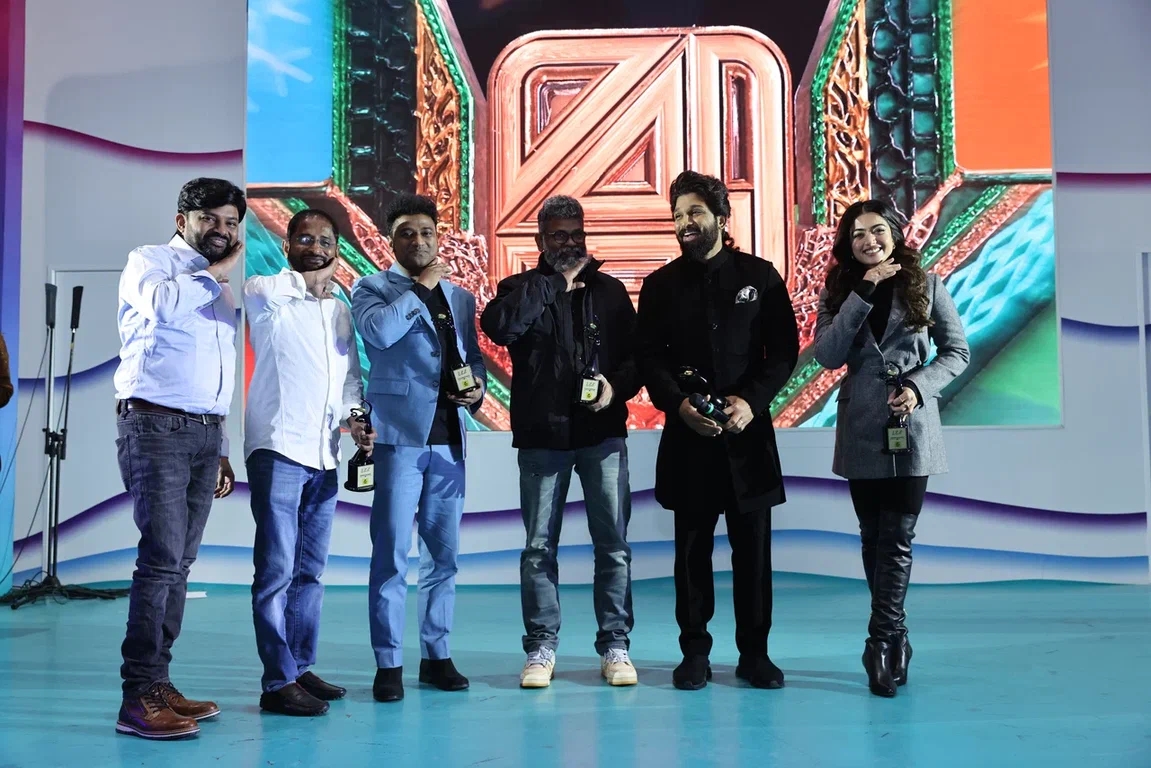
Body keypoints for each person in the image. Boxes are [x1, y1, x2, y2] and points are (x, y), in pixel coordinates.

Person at [634, 170, 799, 691]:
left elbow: (784, 352)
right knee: (690, 556)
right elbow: (649, 360)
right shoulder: (659, 287)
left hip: (748, 438)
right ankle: (695, 654)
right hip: (689, 440)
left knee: (753, 555)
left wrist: (752, 401)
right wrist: (678, 405)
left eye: (695, 212)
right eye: (678, 215)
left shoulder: (761, 276)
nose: (685, 222)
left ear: (722, 218)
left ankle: (755, 655)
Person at [481, 195, 641, 689]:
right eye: (559, 236)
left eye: (576, 234)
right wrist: (554, 284)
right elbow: (499, 327)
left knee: (613, 546)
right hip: (542, 438)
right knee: (537, 548)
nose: (570, 244)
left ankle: (615, 645)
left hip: (602, 435)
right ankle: (541, 647)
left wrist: (615, 387)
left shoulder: (611, 291)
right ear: (540, 241)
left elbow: (636, 359)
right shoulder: (519, 289)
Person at [813, 199, 969, 697]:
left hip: (912, 425)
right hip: (861, 426)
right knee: (872, 536)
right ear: (848, 244)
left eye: (878, 230)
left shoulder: (928, 284)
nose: (869, 240)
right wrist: (864, 290)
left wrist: (920, 387)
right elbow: (827, 356)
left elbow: (957, 351)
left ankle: (879, 640)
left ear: (895, 235)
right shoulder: (840, 292)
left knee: (898, 536)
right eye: (858, 234)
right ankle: (896, 633)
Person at [112, 177, 244, 739]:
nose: (221, 230)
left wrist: (222, 445)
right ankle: (137, 697)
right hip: (155, 425)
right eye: (209, 218)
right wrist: (216, 274)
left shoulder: (221, 286)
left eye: (231, 222)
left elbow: (216, 368)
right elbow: (163, 307)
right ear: (181, 219)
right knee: (161, 561)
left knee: (180, 565)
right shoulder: (152, 262)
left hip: (203, 433)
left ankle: (160, 682)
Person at [351, 193, 486, 703]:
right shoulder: (371, 288)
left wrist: (475, 389)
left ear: (438, 237)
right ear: (391, 240)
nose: (419, 241)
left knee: (443, 557)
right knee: (390, 555)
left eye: (427, 232)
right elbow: (380, 334)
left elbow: (471, 357)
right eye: (407, 233)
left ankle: (437, 655)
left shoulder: (460, 297)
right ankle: (388, 662)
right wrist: (422, 288)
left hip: (449, 440)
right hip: (397, 437)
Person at [242, 208, 377, 716]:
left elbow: (349, 380)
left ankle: (299, 667)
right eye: (305, 238)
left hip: (324, 454)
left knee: (310, 571)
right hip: (278, 447)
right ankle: (277, 682)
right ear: (287, 245)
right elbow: (272, 290)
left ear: (337, 249)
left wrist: (357, 420)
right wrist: (312, 282)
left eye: (325, 241)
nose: (316, 247)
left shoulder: (339, 311)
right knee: (275, 570)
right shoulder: (266, 293)